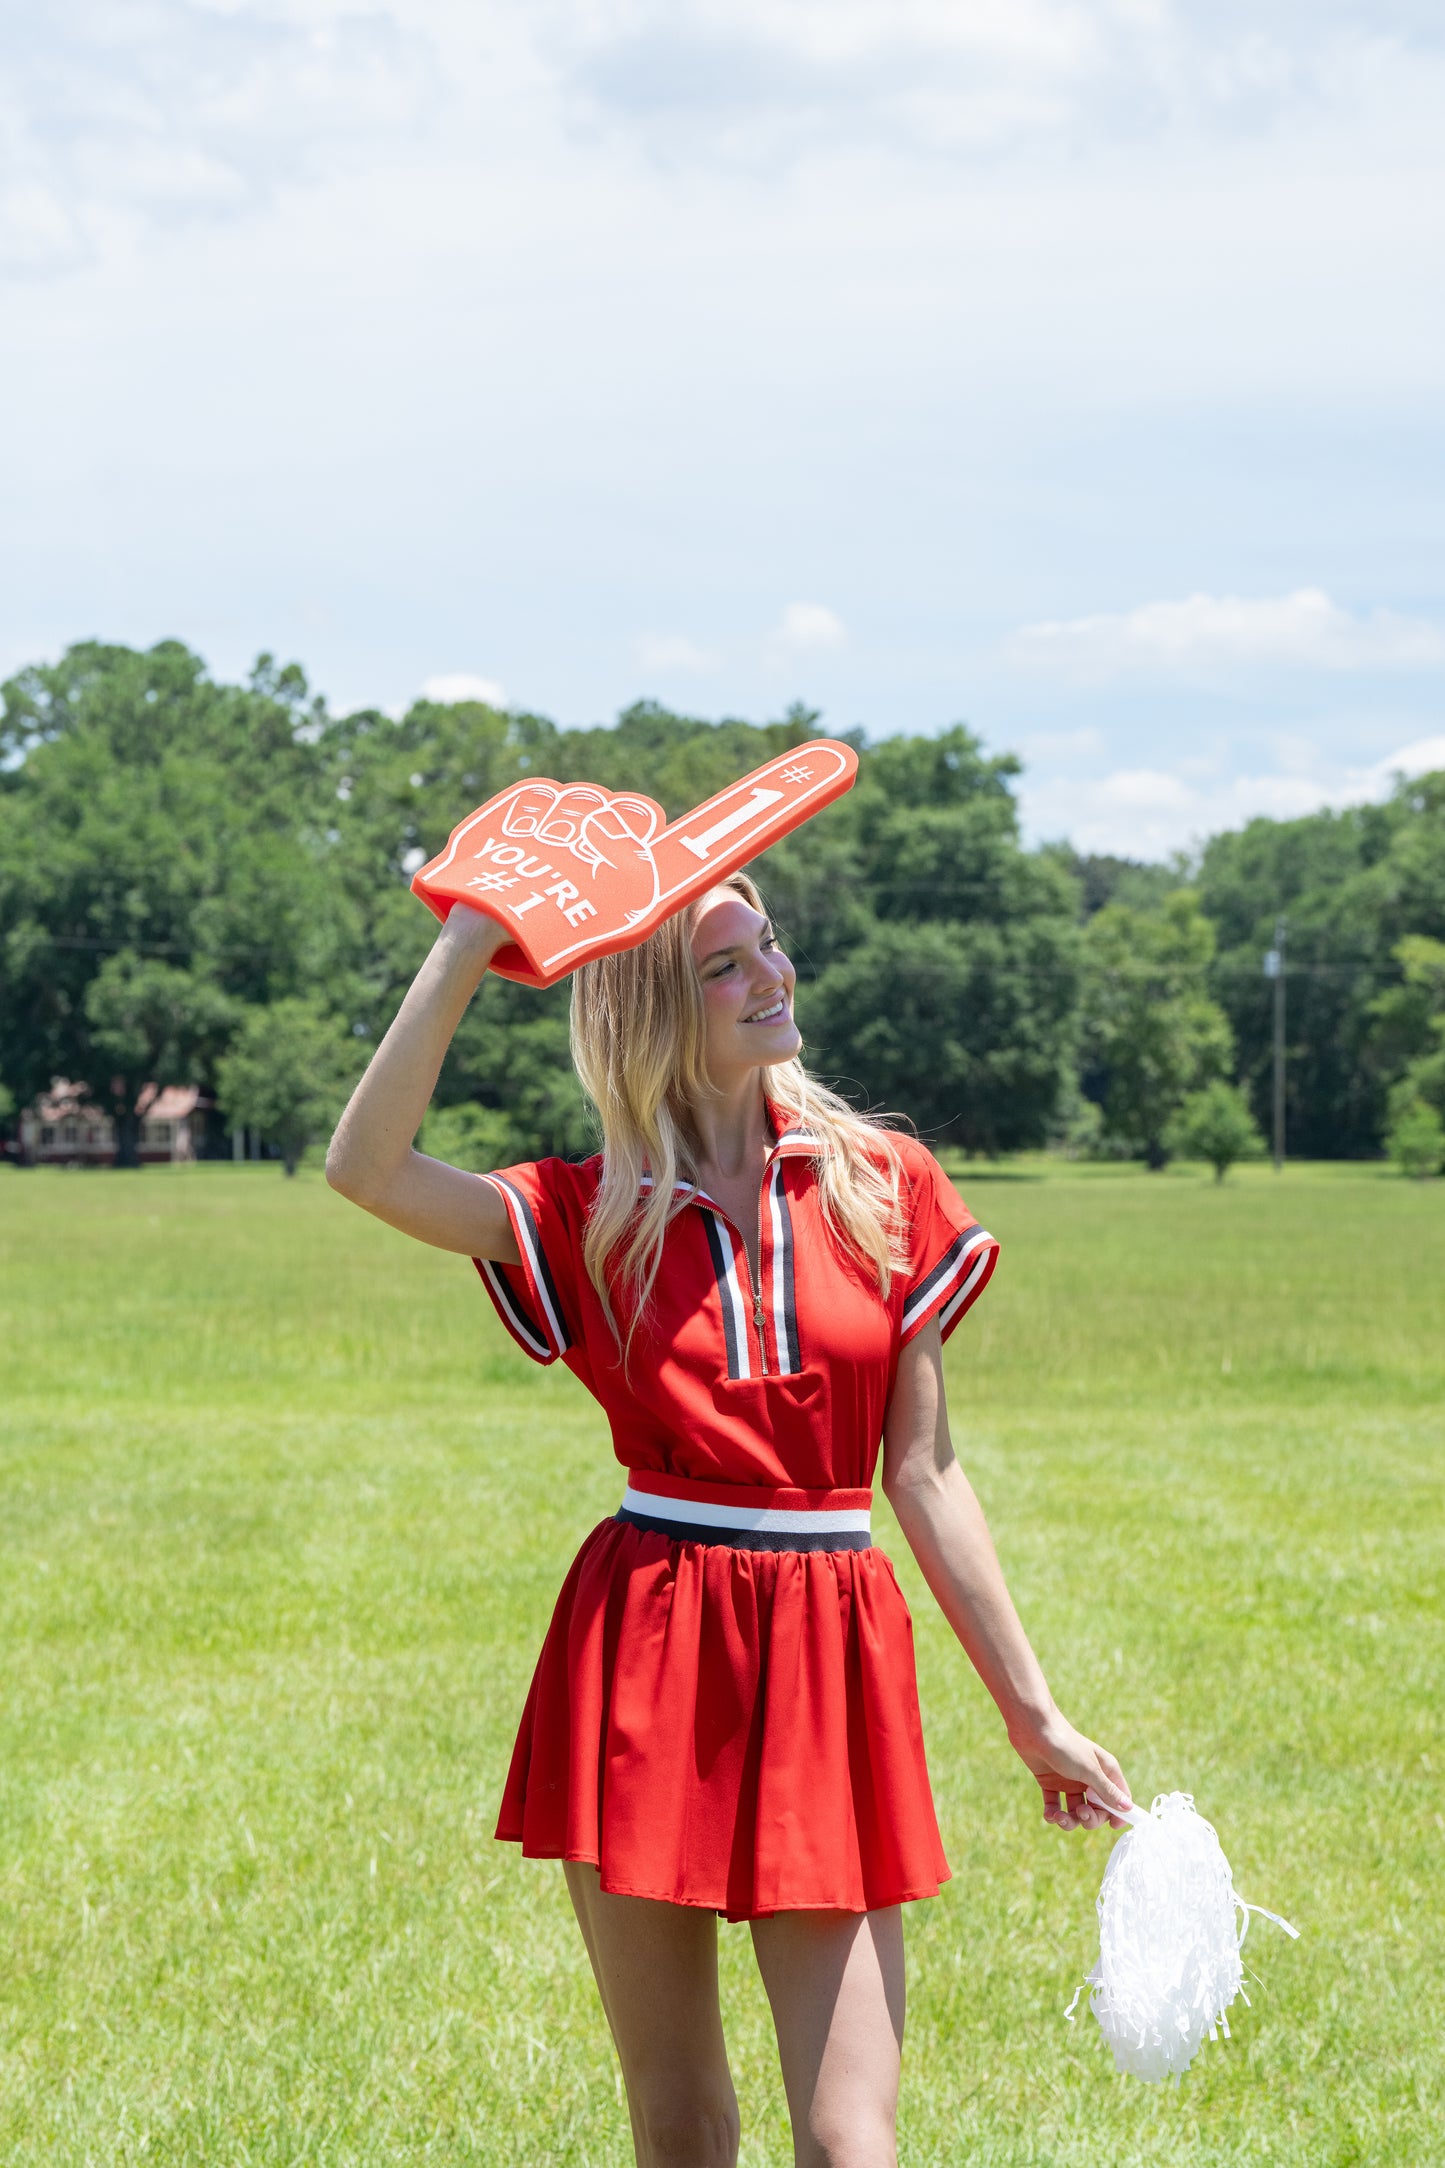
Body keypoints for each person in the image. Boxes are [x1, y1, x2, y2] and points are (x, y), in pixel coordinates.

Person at [326, 871, 1132, 2168]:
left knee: (845, 2140)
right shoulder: (583, 1214)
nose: (774, 977)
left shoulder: (883, 1183)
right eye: (726, 967)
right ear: (650, 1008)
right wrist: (474, 940)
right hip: (647, 1649)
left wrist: (1031, 1714)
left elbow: (922, 1474)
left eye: (771, 948)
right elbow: (363, 1168)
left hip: (829, 1645)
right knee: (684, 2127)